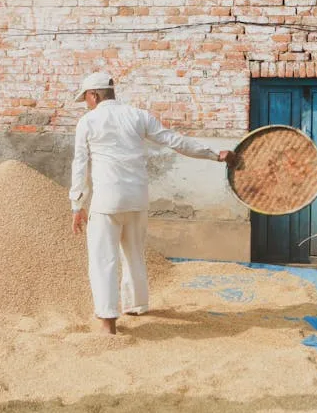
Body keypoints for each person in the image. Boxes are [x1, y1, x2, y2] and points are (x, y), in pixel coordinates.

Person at [69, 71, 236, 335]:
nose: (86, 103)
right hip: (137, 197)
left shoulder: (88, 122)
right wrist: (216, 154)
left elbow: (80, 165)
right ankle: (136, 305)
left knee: (104, 260)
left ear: (94, 95)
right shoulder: (138, 116)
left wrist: (77, 204)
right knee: (134, 253)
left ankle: (107, 322)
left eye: (86, 99)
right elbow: (175, 141)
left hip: (108, 200)